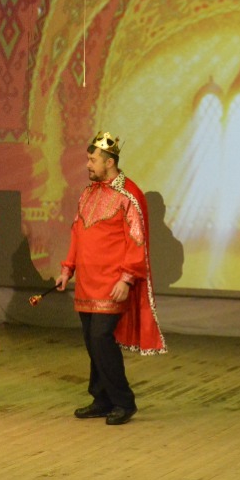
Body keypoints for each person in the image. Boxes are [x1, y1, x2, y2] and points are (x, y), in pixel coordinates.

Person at [56, 132, 166, 426]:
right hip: (87, 283)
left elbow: (136, 240)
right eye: (88, 159)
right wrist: (67, 269)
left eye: (93, 160)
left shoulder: (129, 195)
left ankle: (123, 401)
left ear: (109, 162)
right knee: (92, 342)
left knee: (101, 338)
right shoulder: (87, 193)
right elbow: (77, 233)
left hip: (111, 283)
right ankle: (101, 399)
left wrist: (127, 279)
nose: (88, 165)